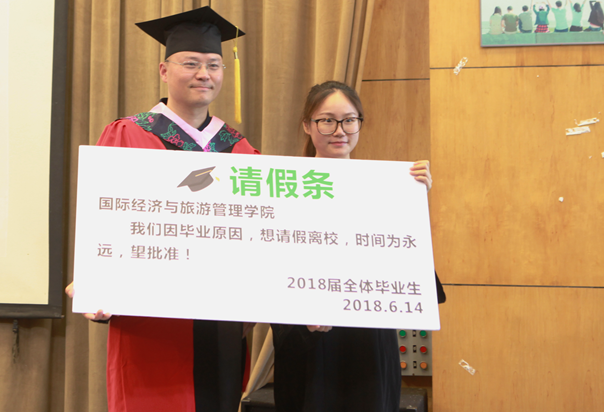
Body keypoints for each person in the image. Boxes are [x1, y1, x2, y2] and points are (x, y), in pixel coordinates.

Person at [66, 6, 259, 412]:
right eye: (191, 63)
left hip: (221, 321)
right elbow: (105, 223)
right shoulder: (129, 135)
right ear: (164, 70)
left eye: (214, 65)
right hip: (151, 323)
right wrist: (94, 279)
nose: (204, 74)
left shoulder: (239, 149)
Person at [270, 81, 446, 412]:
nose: (340, 130)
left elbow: (413, 277)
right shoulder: (282, 190)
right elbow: (271, 275)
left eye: (349, 120)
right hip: (311, 345)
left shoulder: (385, 188)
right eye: (327, 120)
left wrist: (411, 202)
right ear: (307, 125)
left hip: (370, 347)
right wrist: (303, 322)